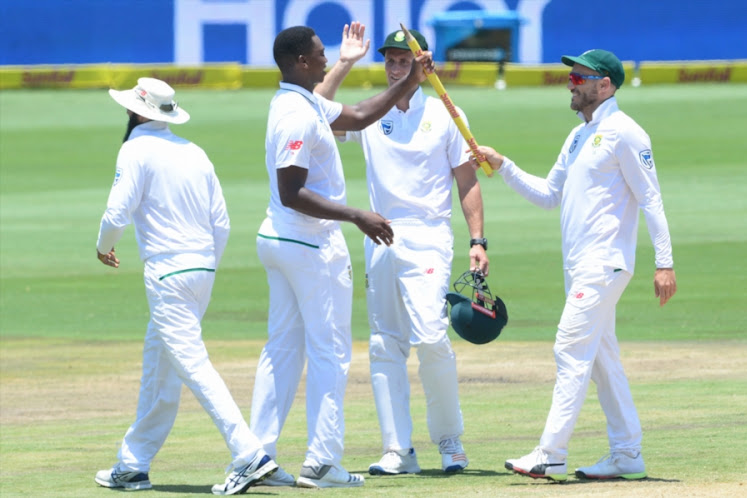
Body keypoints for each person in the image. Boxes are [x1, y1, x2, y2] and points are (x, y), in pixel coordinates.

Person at [474, 49, 677, 482]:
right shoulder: (578, 135)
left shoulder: (626, 132)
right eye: (571, 76)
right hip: (580, 266)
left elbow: (652, 199)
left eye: (580, 77)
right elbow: (549, 194)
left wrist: (665, 263)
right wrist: (503, 165)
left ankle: (551, 453)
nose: (571, 82)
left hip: (604, 263)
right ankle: (627, 454)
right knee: (603, 360)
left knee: (569, 349)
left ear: (605, 85)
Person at [249, 24, 434, 488]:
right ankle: (323, 460)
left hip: (286, 242)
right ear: (301, 63)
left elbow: (356, 115)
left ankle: (257, 457)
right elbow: (292, 191)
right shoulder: (295, 112)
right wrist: (356, 215)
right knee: (329, 352)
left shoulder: (303, 100)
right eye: (320, 54)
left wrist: (408, 82)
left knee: (282, 352)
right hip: (309, 243)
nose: (327, 59)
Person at [315, 28, 488, 475]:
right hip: (379, 232)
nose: (395, 67)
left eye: (403, 61)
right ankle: (397, 449)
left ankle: (450, 439)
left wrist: (477, 241)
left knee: (431, 335)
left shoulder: (445, 111)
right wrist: (346, 61)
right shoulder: (372, 111)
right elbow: (316, 110)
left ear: (419, 62)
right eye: (389, 60)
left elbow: (466, 180)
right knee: (383, 344)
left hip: (428, 232)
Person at [94, 77, 278, 495]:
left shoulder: (134, 148)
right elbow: (222, 223)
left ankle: (248, 453)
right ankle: (132, 464)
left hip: (168, 273)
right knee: (160, 370)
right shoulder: (195, 152)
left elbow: (116, 211)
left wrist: (103, 247)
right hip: (201, 270)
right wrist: (205, 264)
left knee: (193, 366)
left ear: (134, 112)